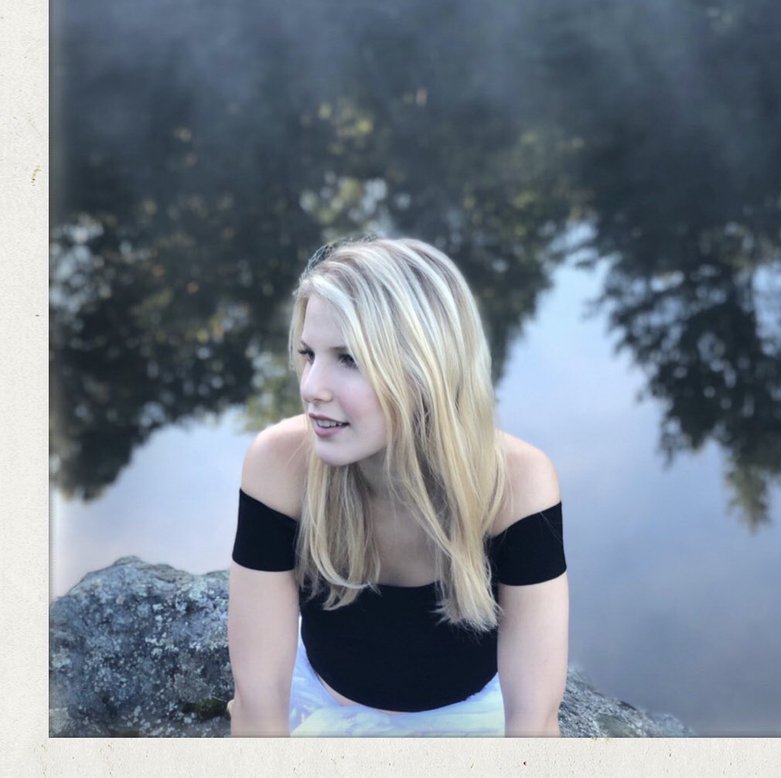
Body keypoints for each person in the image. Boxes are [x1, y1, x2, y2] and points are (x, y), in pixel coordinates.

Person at [227, 236, 568, 737]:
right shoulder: (279, 464)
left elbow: (533, 725)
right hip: (316, 708)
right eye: (309, 354)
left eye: (348, 358)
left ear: (425, 371)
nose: (310, 387)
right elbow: (258, 705)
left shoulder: (516, 483)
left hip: (470, 725)